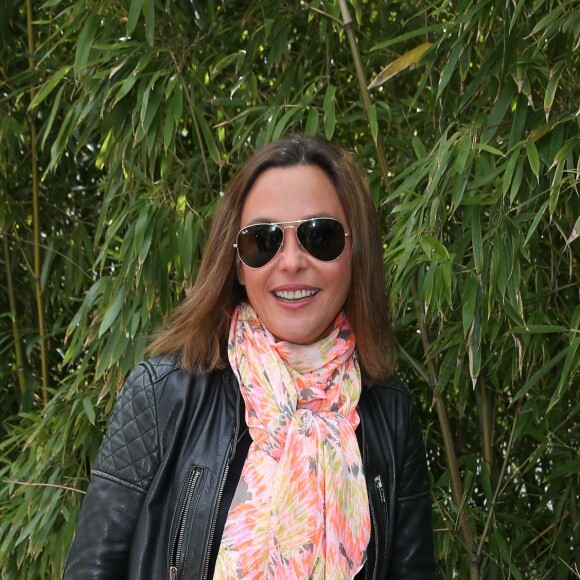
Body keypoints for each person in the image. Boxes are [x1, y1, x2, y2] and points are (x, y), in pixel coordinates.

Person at [63, 134, 436, 579]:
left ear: (356, 253)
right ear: (238, 262)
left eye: (320, 236)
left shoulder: (388, 411)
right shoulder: (163, 395)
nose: (292, 261)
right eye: (264, 240)